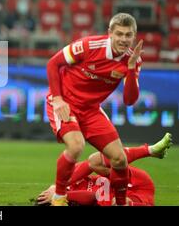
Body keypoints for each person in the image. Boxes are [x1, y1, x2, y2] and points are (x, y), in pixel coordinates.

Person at [46, 13, 144, 206]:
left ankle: (121, 203)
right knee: (76, 146)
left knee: (119, 160)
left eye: (128, 35)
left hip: (91, 110)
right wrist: (58, 99)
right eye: (119, 34)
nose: (123, 39)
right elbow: (53, 63)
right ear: (110, 33)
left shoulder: (133, 60)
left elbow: (130, 100)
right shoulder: (88, 46)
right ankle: (58, 199)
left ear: (134, 36)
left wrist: (131, 69)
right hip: (65, 102)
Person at [36, 133, 173, 206]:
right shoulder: (71, 199)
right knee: (116, 204)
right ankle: (151, 151)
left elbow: (87, 165)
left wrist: (58, 188)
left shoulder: (69, 179)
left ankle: (150, 150)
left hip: (135, 182)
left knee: (94, 160)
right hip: (129, 199)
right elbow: (93, 197)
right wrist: (62, 196)